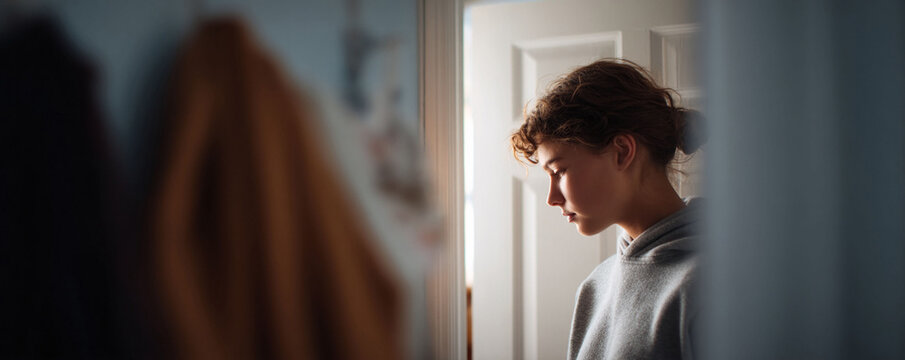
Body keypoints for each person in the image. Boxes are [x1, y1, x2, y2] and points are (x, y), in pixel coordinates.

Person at [510, 59, 706, 359]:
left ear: (622, 152)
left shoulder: (711, 284)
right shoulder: (595, 285)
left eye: (559, 171)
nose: (551, 198)